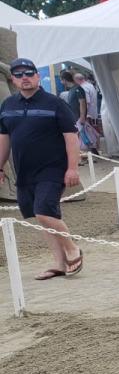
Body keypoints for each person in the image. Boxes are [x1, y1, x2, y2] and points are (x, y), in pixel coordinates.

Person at [0, 58, 84, 280]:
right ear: (13, 80)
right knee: (43, 217)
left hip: (53, 168)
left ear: (38, 76)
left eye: (29, 73)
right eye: (19, 75)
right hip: (24, 171)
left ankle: (73, 249)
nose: (24, 78)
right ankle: (59, 264)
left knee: (44, 211)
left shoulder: (55, 103)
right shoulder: (7, 105)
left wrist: (72, 168)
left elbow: (71, 137)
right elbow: (4, 139)